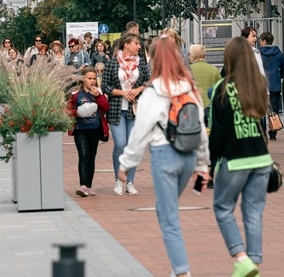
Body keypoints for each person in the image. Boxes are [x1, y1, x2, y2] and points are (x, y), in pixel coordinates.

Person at [119, 36, 210, 277]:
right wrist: (202, 166)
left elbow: (141, 132)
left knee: (169, 218)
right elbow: (200, 128)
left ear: (154, 59)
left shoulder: (154, 90)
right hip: (189, 157)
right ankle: (176, 270)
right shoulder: (190, 87)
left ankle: (181, 272)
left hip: (165, 157)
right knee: (165, 211)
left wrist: (126, 163)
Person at [208, 37, 272, 276]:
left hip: (235, 160)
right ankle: (253, 262)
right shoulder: (258, 84)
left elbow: (217, 131)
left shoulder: (222, 89)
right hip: (262, 159)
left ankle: (241, 258)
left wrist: (208, 164)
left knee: (223, 208)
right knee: (253, 211)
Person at [101, 32, 150, 195]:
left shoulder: (141, 63)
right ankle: (118, 180)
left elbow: (147, 82)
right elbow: (105, 86)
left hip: (135, 110)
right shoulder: (113, 63)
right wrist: (122, 93)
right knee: (120, 144)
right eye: (136, 43)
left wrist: (137, 90)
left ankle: (130, 181)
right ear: (126, 44)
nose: (139, 46)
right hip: (117, 109)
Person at [68, 67, 109, 197]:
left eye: (93, 78)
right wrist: (77, 112)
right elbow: (69, 110)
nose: (92, 81)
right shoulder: (76, 94)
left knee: (91, 157)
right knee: (83, 155)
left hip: (95, 129)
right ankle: (83, 185)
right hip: (81, 129)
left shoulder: (98, 92)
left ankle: (89, 186)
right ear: (83, 79)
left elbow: (105, 107)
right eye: (89, 78)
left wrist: (98, 97)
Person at [260, 32, 284, 141]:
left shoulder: (258, 53)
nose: (260, 43)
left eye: (261, 41)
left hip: (261, 84)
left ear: (264, 41)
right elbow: (283, 68)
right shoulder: (278, 53)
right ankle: (273, 132)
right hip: (275, 84)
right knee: (274, 109)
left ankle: (261, 132)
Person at [188, 44, 221, 113]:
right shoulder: (214, 70)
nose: (188, 57)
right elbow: (220, 90)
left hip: (194, 108)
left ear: (193, 56)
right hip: (210, 108)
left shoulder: (188, 70)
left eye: (189, 55)